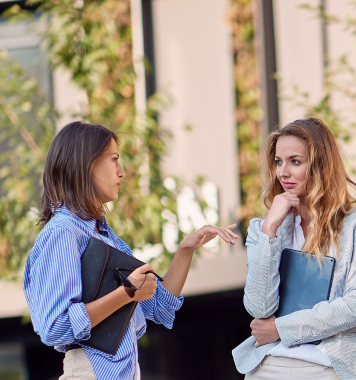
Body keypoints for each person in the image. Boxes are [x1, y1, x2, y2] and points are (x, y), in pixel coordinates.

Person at [25, 121, 239, 379]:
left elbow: (159, 306)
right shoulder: (63, 232)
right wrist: (126, 293)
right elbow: (55, 327)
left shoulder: (103, 234)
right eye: (114, 159)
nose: (122, 171)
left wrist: (185, 250)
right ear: (87, 164)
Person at [232, 118, 356, 380]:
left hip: (327, 365)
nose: (283, 172)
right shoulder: (264, 227)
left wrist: (281, 328)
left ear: (321, 166)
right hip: (267, 365)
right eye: (279, 162)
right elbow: (258, 308)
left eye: (295, 161)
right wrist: (269, 232)